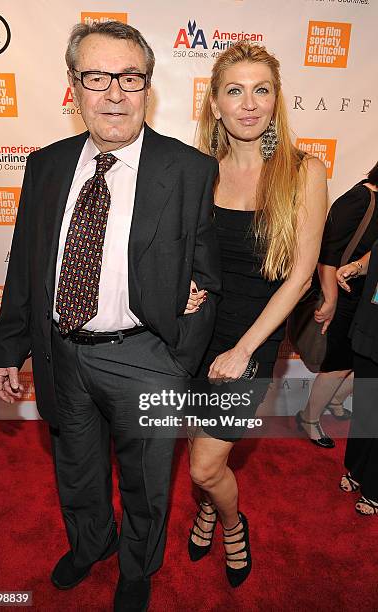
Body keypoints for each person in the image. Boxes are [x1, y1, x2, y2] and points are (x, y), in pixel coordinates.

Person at [0, 21, 221, 612]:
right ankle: (91, 543)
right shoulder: (45, 166)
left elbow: (209, 276)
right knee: (74, 466)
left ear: (148, 87)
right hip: (62, 351)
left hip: (147, 356)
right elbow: (25, 266)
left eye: (129, 77)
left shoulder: (189, 170)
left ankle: (139, 568)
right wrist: (8, 348)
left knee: (147, 480)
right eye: (97, 77)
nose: (113, 93)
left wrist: (176, 363)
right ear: (74, 86)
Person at [187, 42, 327, 587]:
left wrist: (244, 349)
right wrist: (187, 293)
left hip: (254, 336)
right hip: (197, 333)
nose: (249, 103)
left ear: (276, 101)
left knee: (201, 466)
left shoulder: (302, 171)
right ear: (215, 105)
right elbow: (190, 255)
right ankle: (210, 503)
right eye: (235, 90)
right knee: (202, 448)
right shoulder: (200, 171)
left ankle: (229, 520)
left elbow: (299, 276)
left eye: (261, 90)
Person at [296, 162, 378, 447]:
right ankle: (308, 417)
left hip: (365, 298)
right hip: (342, 294)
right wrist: (330, 298)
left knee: (363, 359)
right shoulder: (362, 198)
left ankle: (336, 400)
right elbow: (327, 251)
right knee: (339, 363)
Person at [336, 242, 378, 516]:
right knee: (366, 405)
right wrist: (357, 266)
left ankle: (375, 486)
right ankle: (358, 469)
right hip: (372, 325)